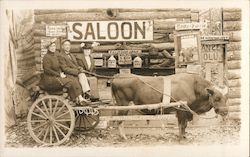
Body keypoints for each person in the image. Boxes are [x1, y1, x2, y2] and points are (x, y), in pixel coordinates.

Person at [39, 38, 87, 106]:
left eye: (54, 46)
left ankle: (78, 98)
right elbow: (47, 70)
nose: (53, 48)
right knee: (70, 81)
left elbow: (62, 64)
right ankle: (77, 98)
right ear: (48, 48)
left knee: (71, 79)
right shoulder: (46, 57)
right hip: (50, 80)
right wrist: (59, 74)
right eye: (51, 46)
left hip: (56, 76)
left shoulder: (56, 55)